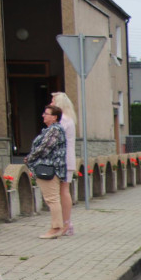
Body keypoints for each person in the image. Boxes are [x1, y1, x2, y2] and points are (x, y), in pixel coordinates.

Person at [25, 104, 68, 239]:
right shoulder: (52, 129)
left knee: (52, 199)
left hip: (49, 168)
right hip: (52, 167)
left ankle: (56, 228)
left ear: (54, 117)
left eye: (46, 113)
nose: (43, 115)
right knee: (53, 198)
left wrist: (29, 158)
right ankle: (56, 227)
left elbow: (44, 148)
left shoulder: (54, 130)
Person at [50, 92, 77, 236]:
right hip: (66, 159)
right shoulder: (69, 119)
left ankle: (66, 222)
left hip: (63, 160)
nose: (51, 103)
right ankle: (66, 222)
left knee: (63, 191)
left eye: (53, 101)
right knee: (62, 191)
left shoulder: (63, 120)